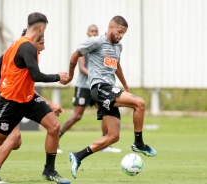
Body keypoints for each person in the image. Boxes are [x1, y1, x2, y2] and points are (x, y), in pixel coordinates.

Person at [0, 12, 71, 184]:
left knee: (54, 126)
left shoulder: (17, 45)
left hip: (28, 99)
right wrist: (58, 76)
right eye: (45, 29)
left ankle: (49, 171)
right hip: (12, 102)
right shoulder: (27, 46)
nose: (44, 33)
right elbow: (36, 75)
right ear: (41, 28)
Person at [64, 15, 157, 179]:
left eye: (124, 33)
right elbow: (75, 55)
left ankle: (77, 156)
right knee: (140, 103)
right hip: (100, 88)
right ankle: (139, 143)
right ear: (111, 27)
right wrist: (70, 76)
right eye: (120, 31)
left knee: (113, 136)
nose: (121, 36)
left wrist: (126, 86)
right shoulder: (96, 41)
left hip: (109, 88)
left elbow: (117, 66)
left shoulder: (118, 47)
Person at [58, 24, 121, 153]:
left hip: (98, 88)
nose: (93, 33)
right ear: (87, 34)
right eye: (91, 31)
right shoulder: (85, 47)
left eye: (95, 31)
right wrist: (97, 76)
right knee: (77, 116)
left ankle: (105, 144)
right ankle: (56, 138)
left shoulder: (101, 47)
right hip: (84, 87)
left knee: (106, 113)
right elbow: (81, 68)